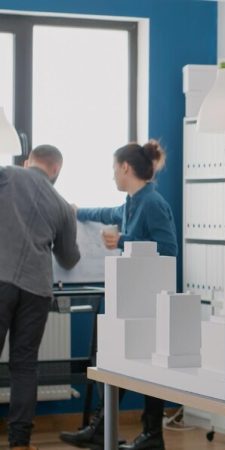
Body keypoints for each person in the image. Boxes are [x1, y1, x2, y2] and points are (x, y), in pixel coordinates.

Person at [59, 140, 177, 450]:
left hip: (149, 302)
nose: (113, 175)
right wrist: (76, 210)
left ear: (126, 168)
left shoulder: (152, 203)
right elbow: (105, 211)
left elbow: (168, 250)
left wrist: (123, 240)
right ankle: (103, 427)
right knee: (116, 361)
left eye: (114, 169)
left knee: (144, 366)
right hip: (132, 299)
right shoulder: (131, 203)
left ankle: (150, 434)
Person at [0, 145, 81, 450]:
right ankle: (20, 443)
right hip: (36, 290)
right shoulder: (62, 206)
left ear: (28, 161)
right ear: (56, 169)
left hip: (1, 278)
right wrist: (71, 216)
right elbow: (69, 258)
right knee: (24, 365)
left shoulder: (8, 174)